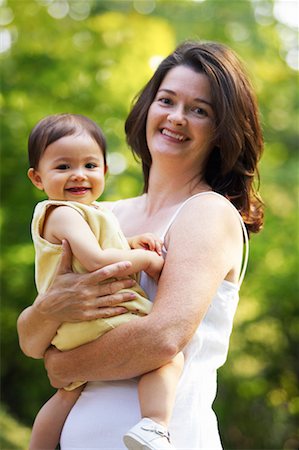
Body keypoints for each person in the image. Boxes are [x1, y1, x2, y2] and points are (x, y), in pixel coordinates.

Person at [17, 41, 264, 449]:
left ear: (221, 132)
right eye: (166, 101)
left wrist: (64, 364)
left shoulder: (208, 212)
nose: (176, 118)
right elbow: (31, 339)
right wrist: (50, 309)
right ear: (148, 108)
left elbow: (162, 338)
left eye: (199, 110)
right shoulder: (100, 213)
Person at [25, 113, 183, 449]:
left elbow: (99, 249)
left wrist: (129, 243)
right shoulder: (62, 212)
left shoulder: (92, 213)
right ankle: (155, 424)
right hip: (97, 317)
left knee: (67, 393)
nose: (78, 174)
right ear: (38, 178)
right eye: (63, 167)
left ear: (104, 170)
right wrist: (148, 259)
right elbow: (97, 261)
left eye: (90, 165)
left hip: (74, 328)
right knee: (168, 358)